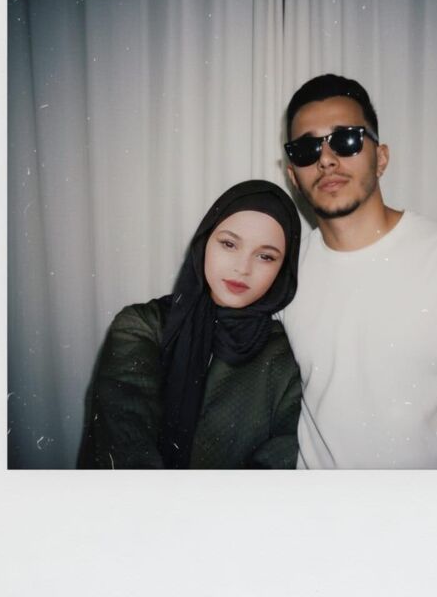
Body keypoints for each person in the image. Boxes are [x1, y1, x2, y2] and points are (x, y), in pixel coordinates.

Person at [281, 73, 437, 469]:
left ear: (381, 158)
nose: (326, 159)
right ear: (293, 175)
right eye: (306, 148)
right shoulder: (283, 270)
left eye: (346, 139)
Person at [78, 180, 302, 469]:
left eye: (265, 256)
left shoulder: (287, 356)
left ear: (283, 271)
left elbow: (282, 458)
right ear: (204, 242)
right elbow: (123, 440)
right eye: (229, 244)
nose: (242, 268)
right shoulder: (142, 326)